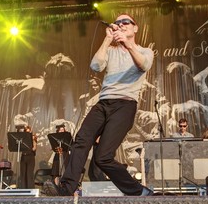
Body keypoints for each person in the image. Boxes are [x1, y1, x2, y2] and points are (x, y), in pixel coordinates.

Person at [46, 14, 154, 196]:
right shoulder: (111, 50)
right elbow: (96, 66)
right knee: (81, 141)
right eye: (118, 23)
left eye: (126, 22)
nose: (121, 25)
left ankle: (138, 191)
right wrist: (107, 39)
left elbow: (143, 66)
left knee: (103, 157)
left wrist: (128, 45)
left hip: (124, 105)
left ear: (135, 28)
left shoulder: (145, 51)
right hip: (103, 103)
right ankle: (66, 188)